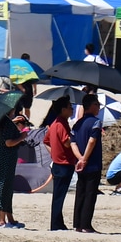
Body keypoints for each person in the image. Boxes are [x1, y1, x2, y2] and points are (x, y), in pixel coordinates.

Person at [0, 98, 27, 229]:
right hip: (6, 158)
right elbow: (9, 142)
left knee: (5, 186)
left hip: (1, 156)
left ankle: (9, 218)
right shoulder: (7, 124)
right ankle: (2, 220)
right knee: (4, 187)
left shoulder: (2, 122)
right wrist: (22, 136)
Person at [44, 96, 74, 231]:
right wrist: (74, 137)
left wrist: (53, 153)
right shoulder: (61, 124)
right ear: (63, 109)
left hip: (58, 163)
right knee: (59, 196)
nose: (72, 109)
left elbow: (46, 141)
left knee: (58, 195)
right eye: (69, 107)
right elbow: (67, 143)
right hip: (63, 164)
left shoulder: (56, 123)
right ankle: (56, 224)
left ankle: (58, 223)